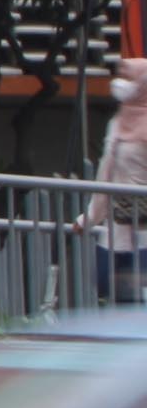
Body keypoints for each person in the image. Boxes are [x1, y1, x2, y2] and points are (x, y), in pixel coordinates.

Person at [82, 75, 147, 303]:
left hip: (142, 231)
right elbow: (106, 174)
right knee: (109, 287)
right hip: (118, 227)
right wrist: (90, 218)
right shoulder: (118, 124)